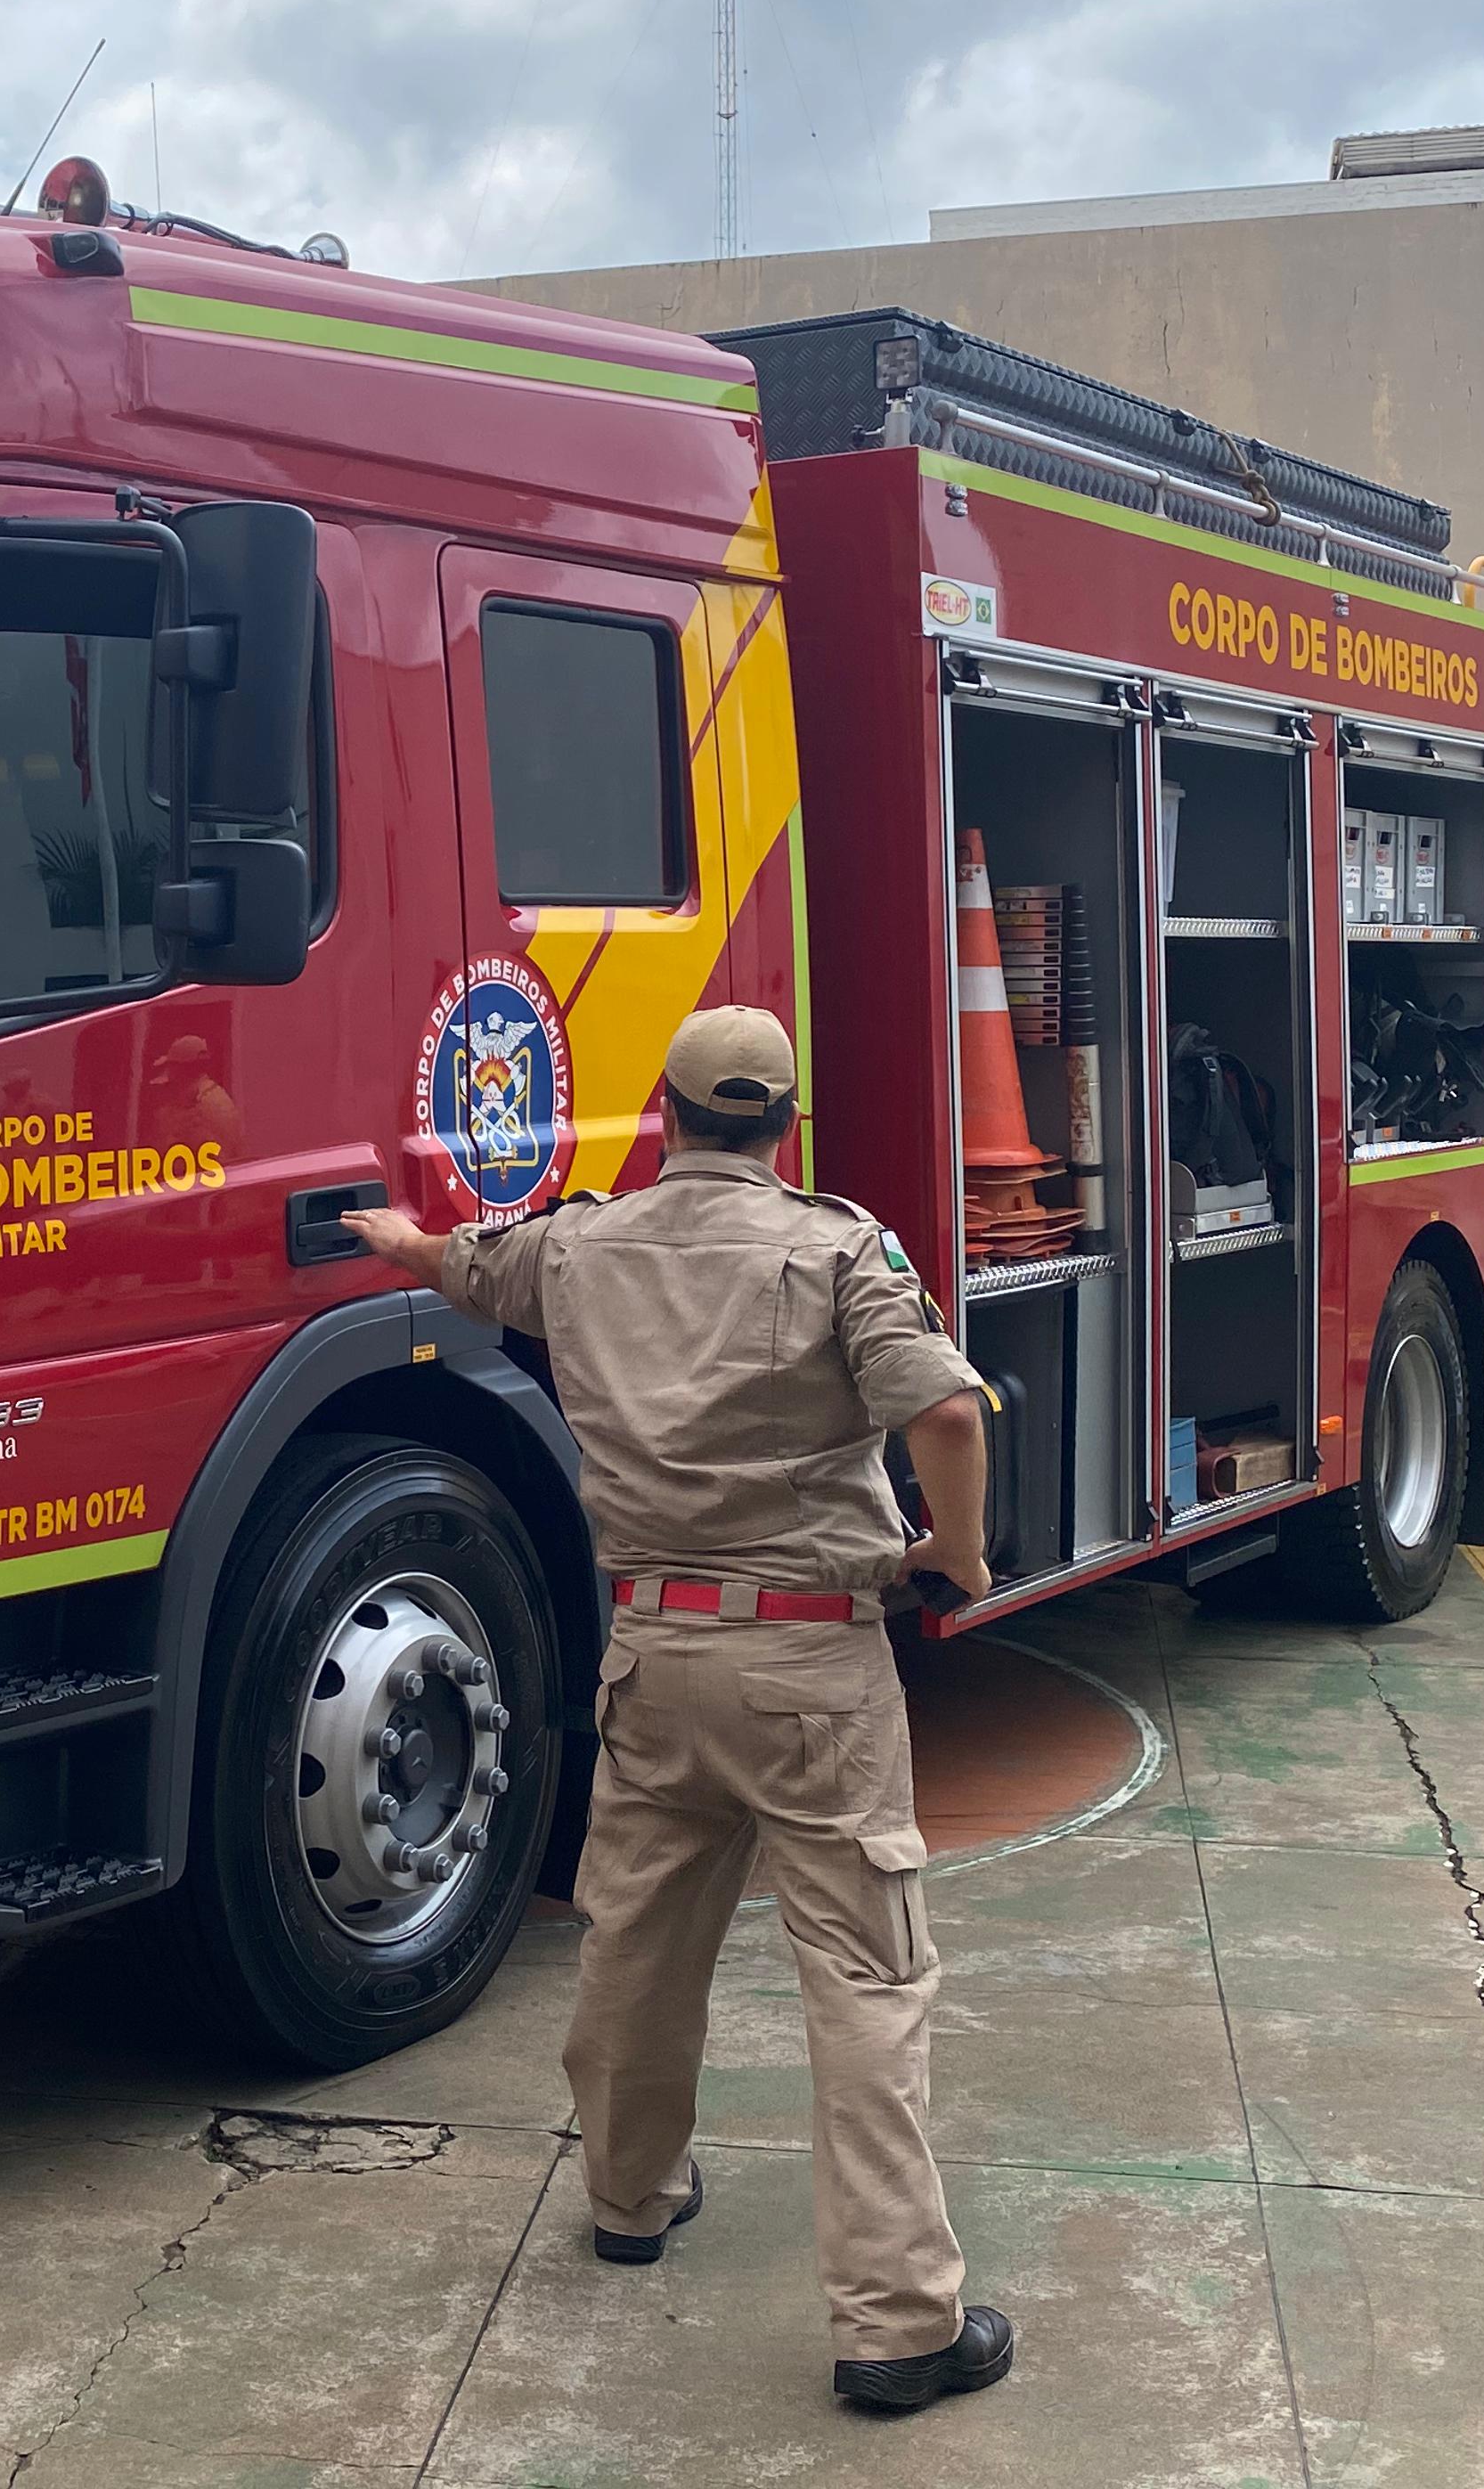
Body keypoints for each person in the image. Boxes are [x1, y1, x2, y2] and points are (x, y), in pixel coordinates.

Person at [343, 1005, 1014, 2420]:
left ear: (667, 1114)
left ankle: (631, 2196)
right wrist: (957, 1552)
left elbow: (466, 1270)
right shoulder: (836, 1246)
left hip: (652, 1658)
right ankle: (896, 2323)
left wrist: (390, 1238)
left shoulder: (582, 1246)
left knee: (638, 1943)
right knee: (869, 1982)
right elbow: (948, 1413)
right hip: (814, 1666)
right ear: (785, 1122)